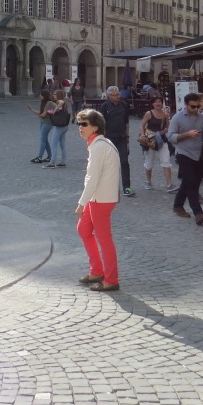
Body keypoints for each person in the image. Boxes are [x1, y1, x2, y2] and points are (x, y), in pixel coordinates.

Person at [74, 109, 121, 292]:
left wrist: (81, 203)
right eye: (78, 123)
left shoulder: (99, 146)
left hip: (101, 199)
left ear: (95, 127)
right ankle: (97, 271)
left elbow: (92, 179)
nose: (80, 127)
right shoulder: (98, 144)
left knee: (104, 239)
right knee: (83, 229)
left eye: (84, 124)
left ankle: (111, 280)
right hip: (98, 197)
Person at [169, 92, 203, 225]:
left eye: (197, 106)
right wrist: (187, 134)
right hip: (183, 153)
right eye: (193, 106)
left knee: (190, 181)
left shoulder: (202, 118)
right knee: (191, 182)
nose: (196, 109)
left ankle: (178, 205)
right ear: (186, 105)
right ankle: (198, 213)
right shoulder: (177, 118)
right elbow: (171, 137)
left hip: (199, 154)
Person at [99, 85, 134, 197]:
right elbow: (101, 124)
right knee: (108, 163)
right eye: (114, 95)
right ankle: (108, 187)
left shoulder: (124, 105)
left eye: (118, 94)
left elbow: (126, 122)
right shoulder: (104, 107)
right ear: (109, 96)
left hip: (122, 137)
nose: (117, 97)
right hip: (109, 138)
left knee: (124, 162)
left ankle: (127, 187)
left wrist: (127, 137)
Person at [139, 96, 174, 192]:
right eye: (156, 102)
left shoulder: (165, 114)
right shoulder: (149, 113)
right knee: (149, 162)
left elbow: (167, 126)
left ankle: (169, 184)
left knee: (166, 161)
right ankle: (148, 181)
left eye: (159, 101)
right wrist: (142, 135)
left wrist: (165, 130)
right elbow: (142, 125)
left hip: (161, 139)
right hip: (150, 140)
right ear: (153, 104)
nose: (158, 103)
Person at [45, 89, 70, 168]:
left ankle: (52, 162)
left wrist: (55, 110)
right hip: (65, 126)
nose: (53, 95)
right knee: (62, 144)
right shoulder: (63, 104)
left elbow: (61, 102)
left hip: (59, 126)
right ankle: (63, 162)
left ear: (58, 95)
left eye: (55, 94)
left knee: (53, 144)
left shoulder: (60, 101)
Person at [28, 90, 54, 164]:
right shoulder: (43, 102)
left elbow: (43, 115)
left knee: (43, 140)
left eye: (41, 95)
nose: (39, 96)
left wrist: (39, 115)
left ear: (44, 96)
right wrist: (32, 110)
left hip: (47, 123)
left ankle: (39, 157)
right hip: (43, 122)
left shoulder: (49, 103)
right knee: (45, 140)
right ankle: (50, 156)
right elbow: (41, 113)